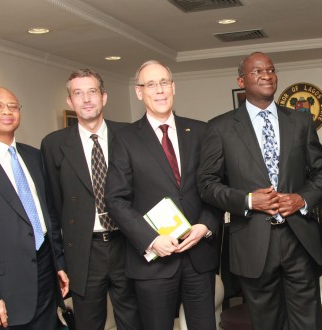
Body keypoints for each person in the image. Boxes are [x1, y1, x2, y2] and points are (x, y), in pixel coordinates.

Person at [197, 52, 322, 330]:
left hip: (299, 238)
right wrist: (247, 200)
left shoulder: (300, 122)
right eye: (257, 72)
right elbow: (207, 184)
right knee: (266, 323)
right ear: (241, 80)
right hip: (253, 242)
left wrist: (302, 198)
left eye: (270, 69)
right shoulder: (220, 128)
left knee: (308, 321)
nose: (266, 75)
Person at [106, 60, 220, 330]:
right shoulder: (124, 138)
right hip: (153, 262)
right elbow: (116, 199)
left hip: (198, 257)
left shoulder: (201, 131)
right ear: (139, 92)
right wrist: (151, 239)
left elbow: (215, 187)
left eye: (164, 83)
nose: (159, 90)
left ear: (173, 87)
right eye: (151, 84)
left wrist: (205, 225)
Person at [0, 87, 69, 329]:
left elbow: (48, 216)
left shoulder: (34, 156)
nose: (7, 111)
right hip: (2, 290)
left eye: (13, 106)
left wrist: (58, 264)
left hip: (45, 277)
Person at [41, 69, 141, 330]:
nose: (86, 99)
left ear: (104, 97)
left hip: (128, 244)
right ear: (70, 101)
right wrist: (59, 260)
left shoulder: (130, 135)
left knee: (134, 321)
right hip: (84, 251)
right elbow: (52, 207)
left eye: (92, 92)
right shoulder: (53, 144)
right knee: (89, 324)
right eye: (78, 93)